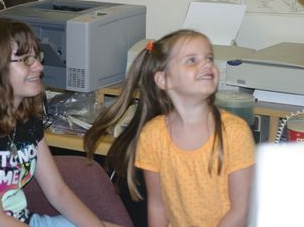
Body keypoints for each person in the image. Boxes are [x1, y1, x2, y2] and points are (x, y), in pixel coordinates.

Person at [0, 17, 122, 227]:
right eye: (25, 60)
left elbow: (57, 191)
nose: (39, 67)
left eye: (37, 57)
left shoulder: (26, 121)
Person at [85, 29, 255, 226]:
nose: (207, 64)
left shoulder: (235, 132)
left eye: (209, 58)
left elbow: (241, 209)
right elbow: (158, 206)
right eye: (192, 60)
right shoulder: (152, 135)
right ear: (163, 79)